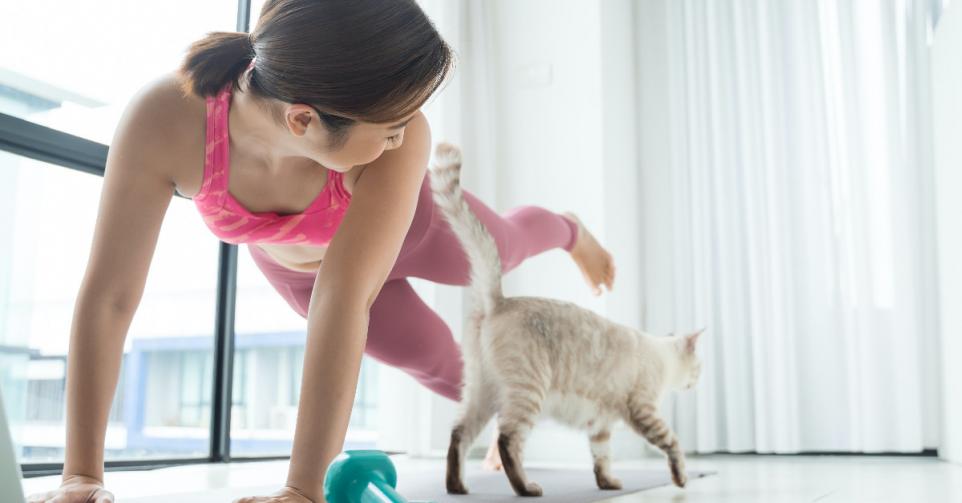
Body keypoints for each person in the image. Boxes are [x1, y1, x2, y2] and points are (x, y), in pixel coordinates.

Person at [27, 1, 614, 502]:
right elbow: (110, 296)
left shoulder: (405, 140)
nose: (406, 133)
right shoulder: (165, 119)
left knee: (503, 250)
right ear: (304, 119)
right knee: (440, 363)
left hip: (417, 230)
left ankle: (567, 228)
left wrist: (305, 489)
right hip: (306, 275)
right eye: (390, 125)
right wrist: (80, 474)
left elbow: (347, 297)